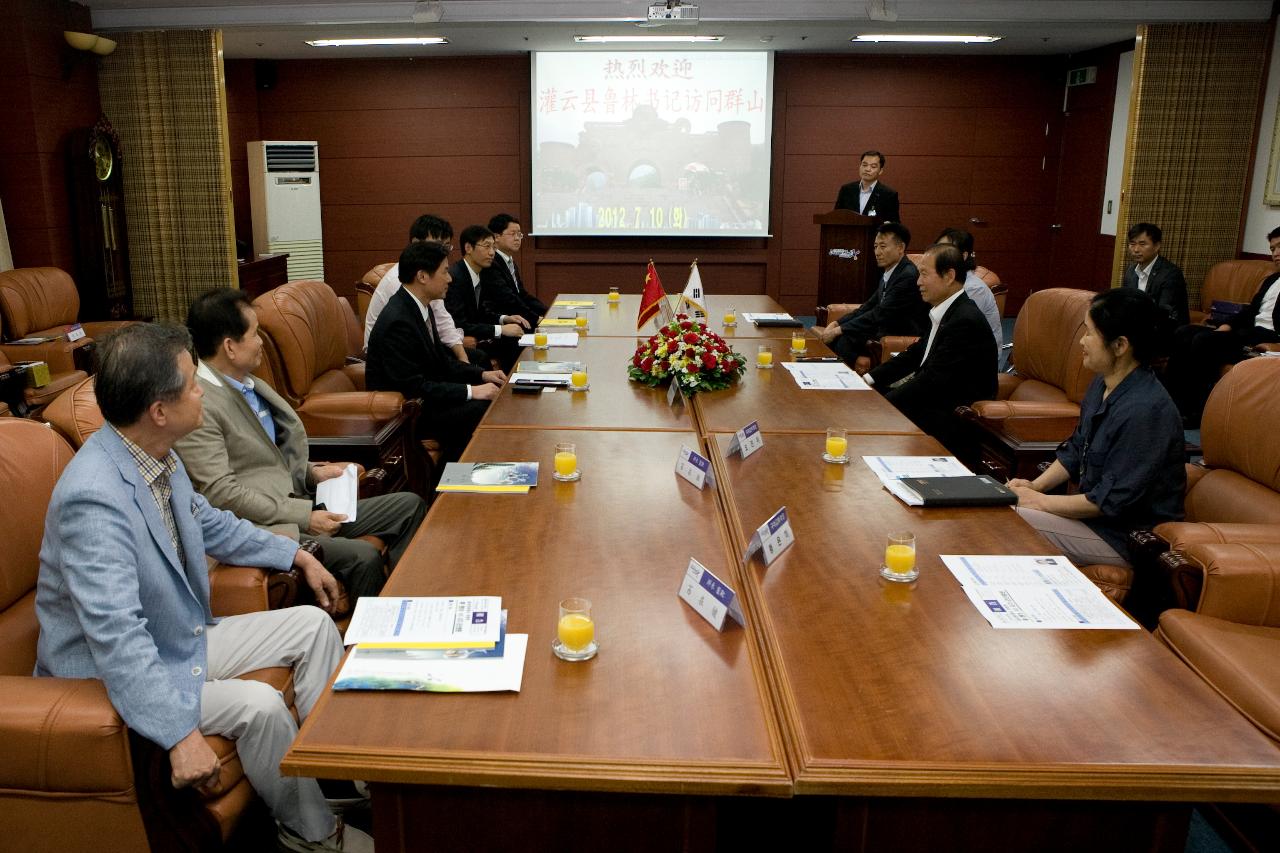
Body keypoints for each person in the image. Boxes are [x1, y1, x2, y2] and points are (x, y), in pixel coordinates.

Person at [34, 322, 372, 852]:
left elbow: (209, 523)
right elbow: (117, 635)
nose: (202, 390)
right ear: (159, 410)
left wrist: (296, 554)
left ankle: (337, 777)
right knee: (259, 705)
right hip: (109, 674)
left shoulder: (156, 454)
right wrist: (177, 734)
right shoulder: (92, 498)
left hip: (176, 637)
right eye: (193, 382)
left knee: (311, 626)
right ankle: (313, 835)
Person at [178, 289, 427, 603]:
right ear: (230, 346)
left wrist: (314, 474)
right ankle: (367, 642)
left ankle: (411, 600)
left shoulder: (250, 383)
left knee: (409, 506)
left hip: (301, 499)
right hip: (270, 522)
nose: (261, 343)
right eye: (255, 335)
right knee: (364, 557)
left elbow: (268, 456)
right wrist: (303, 516)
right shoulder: (202, 405)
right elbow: (221, 492)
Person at [1009, 288, 1185, 568]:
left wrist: (1038, 502)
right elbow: (1077, 448)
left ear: (1120, 346)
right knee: (1003, 505)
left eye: (1090, 333)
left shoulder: (1146, 411)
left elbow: (1107, 502)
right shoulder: (1103, 383)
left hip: (1122, 537)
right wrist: (1035, 485)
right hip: (1092, 521)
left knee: (1009, 519)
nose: (1082, 341)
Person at [367, 240, 507, 462]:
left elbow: (442, 362)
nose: (450, 279)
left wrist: (482, 375)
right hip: (407, 411)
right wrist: (471, 391)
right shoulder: (398, 321)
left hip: (424, 397)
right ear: (422, 276)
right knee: (477, 408)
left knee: (483, 394)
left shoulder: (420, 305)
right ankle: (449, 484)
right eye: (444, 272)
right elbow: (414, 386)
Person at [864, 243, 997, 453]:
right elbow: (915, 354)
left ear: (949, 275)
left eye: (924, 274)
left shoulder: (964, 320)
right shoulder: (946, 309)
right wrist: (868, 380)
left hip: (953, 416)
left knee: (873, 425)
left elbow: (932, 380)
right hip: (933, 401)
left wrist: (885, 406)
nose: (918, 282)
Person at [1164, 226, 1280, 426]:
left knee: (1204, 341)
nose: (1275, 254)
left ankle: (1198, 412)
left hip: (1268, 337)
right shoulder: (1272, 279)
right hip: (1247, 330)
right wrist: (1227, 324)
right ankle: (1169, 405)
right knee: (1184, 332)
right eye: (1272, 249)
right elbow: (1251, 310)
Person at [816, 222, 927, 369]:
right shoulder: (891, 270)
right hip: (883, 326)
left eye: (883, 246)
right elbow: (869, 306)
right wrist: (837, 323)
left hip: (899, 331)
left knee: (845, 339)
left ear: (900, 248)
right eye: (875, 247)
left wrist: (839, 330)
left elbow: (881, 313)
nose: (877, 252)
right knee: (841, 337)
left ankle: (851, 384)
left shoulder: (907, 275)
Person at [362, 214, 470, 361]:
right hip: (390, 354)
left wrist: (462, 356)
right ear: (415, 243)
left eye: (446, 246)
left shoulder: (429, 280)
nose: (443, 252)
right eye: (438, 245)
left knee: (474, 361)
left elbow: (442, 320)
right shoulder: (400, 280)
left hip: (418, 342)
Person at [443, 225, 528, 370]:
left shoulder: (480, 273)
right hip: (459, 339)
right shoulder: (455, 277)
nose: (492, 253)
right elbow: (459, 323)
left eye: (494, 247)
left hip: (477, 334)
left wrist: (504, 318)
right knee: (504, 342)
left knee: (515, 339)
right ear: (468, 248)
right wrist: (501, 329)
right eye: (487, 246)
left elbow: (482, 313)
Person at [935, 227, 1003, 349]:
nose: (939, 255)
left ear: (964, 256)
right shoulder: (946, 281)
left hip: (977, 357)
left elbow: (957, 329)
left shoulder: (974, 288)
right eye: (938, 249)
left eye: (947, 250)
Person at [1121, 222, 1189, 328]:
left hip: (1166, 332)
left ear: (1157, 246)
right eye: (1132, 244)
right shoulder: (1131, 271)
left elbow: (1165, 313)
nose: (1136, 249)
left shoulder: (1171, 274)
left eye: (1142, 244)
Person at [484, 212, 547, 325]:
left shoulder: (509, 260)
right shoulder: (491, 263)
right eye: (513, 234)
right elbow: (507, 299)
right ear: (496, 237)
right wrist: (536, 319)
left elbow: (521, 294)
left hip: (518, 317)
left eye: (519, 234)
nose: (517, 239)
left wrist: (547, 312)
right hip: (502, 322)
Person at [834, 149, 900, 223]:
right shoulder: (846, 190)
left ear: (880, 171)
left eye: (873, 166)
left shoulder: (889, 195)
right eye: (864, 165)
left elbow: (894, 224)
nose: (867, 169)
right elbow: (836, 217)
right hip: (848, 234)